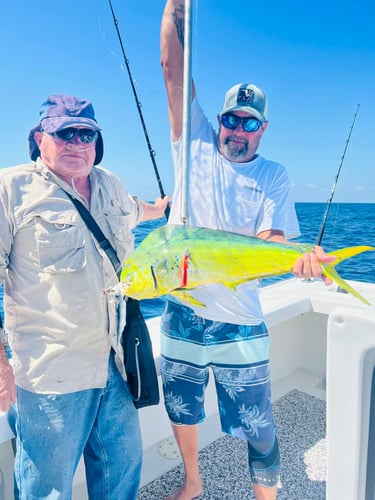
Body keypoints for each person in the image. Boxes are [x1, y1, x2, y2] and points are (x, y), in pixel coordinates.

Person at [159, 2, 335, 499]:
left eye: (249, 123)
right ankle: (193, 482)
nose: (237, 130)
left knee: (259, 427)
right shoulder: (191, 142)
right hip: (184, 310)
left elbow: (272, 242)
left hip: (242, 316)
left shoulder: (273, 175)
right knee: (182, 409)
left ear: (263, 128)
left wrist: (297, 260)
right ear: (218, 120)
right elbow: (173, 69)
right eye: (231, 120)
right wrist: (175, 7)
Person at [0, 93, 169, 499]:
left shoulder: (110, 183)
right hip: (51, 375)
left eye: (87, 134)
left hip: (114, 363)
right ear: (40, 138)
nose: (77, 143)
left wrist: (163, 210)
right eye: (65, 133)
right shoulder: (12, 189)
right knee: (47, 491)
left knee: (121, 474)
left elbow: (134, 210)